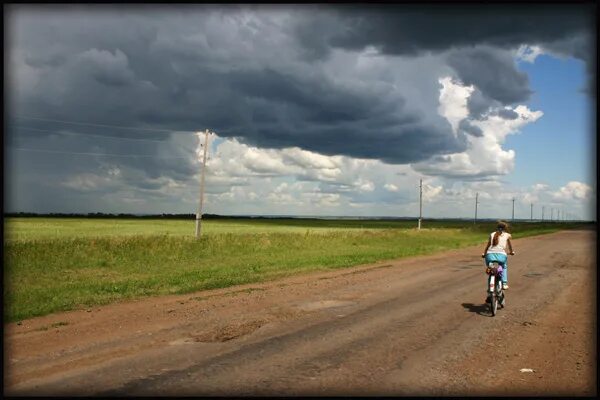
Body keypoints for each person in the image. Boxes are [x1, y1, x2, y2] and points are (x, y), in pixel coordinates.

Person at [481, 221, 515, 302]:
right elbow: (510, 246)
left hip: (489, 256)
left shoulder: (492, 234)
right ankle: (504, 283)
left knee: (491, 272)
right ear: (505, 228)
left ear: (497, 227)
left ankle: (490, 292)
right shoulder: (507, 235)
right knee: (503, 267)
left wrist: (484, 253)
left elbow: (488, 245)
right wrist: (511, 252)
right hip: (501, 256)